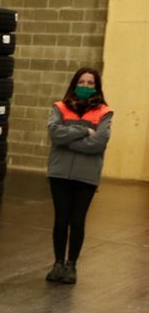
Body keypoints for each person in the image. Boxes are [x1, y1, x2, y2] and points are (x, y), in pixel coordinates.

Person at [45, 67, 113, 284]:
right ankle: (58, 263)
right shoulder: (59, 107)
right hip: (59, 173)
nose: (85, 86)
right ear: (74, 84)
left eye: (90, 83)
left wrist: (68, 140)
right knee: (61, 219)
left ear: (97, 87)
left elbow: (98, 143)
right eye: (82, 82)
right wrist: (84, 131)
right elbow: (55, 134)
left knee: (77, 221)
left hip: (87, 176)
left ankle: (71, 265)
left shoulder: (104, 112)